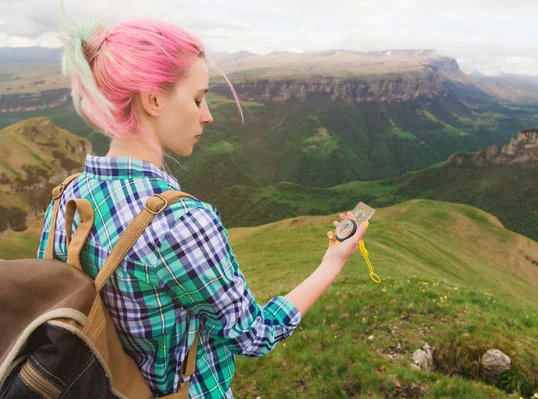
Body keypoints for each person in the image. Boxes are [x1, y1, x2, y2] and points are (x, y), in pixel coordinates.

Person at [37, 5, 368, 399]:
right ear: (154, 99)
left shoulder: (67, 197)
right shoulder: (181, 222)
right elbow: (254, 336)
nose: (207, 116)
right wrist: (332, 262)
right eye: (197, 100)